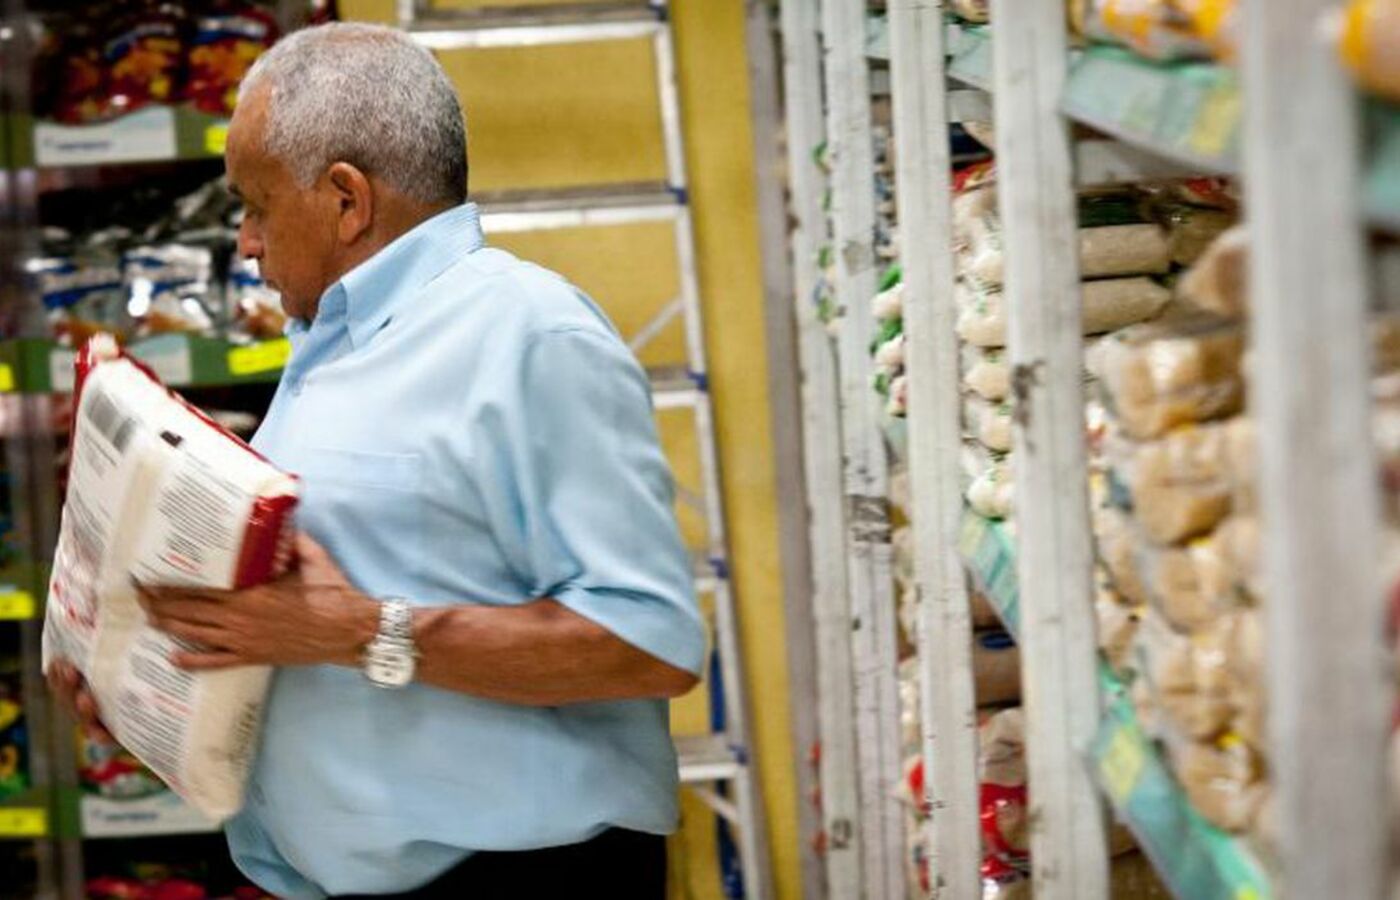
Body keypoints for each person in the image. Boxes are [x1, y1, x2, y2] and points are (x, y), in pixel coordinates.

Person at [46, 22, 707, 900]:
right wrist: (139, 672)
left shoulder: (527, 334)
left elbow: (647, 646)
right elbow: (313, 622)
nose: (244, 242)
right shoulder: (330, 348)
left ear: (347, 200)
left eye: (255, 204)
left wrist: (360, 632)